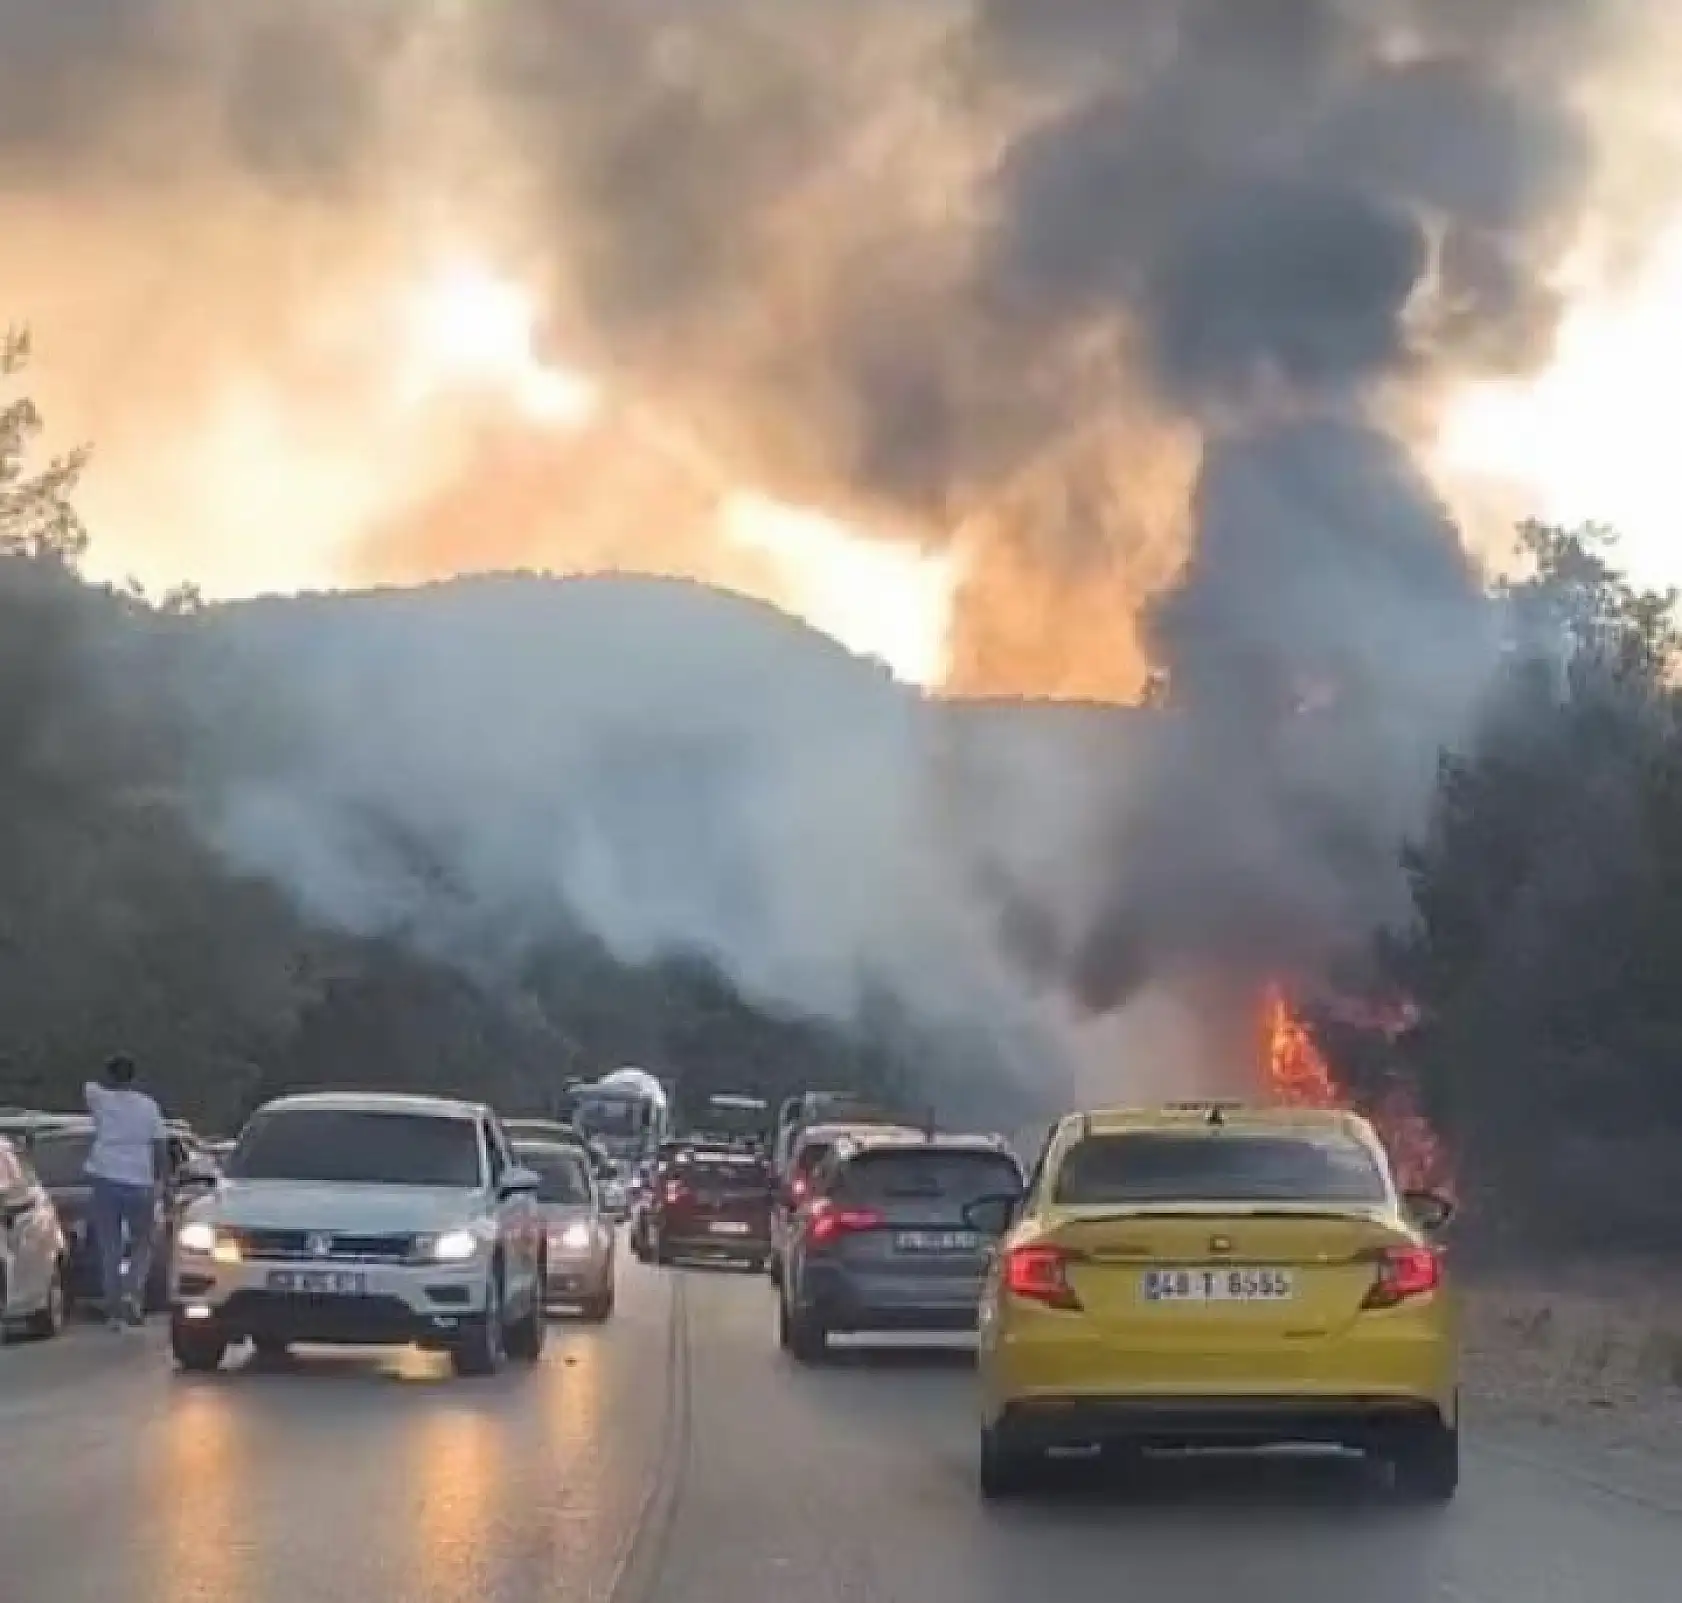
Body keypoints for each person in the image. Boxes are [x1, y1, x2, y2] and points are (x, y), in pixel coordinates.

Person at [83, 1055, 170, 1329]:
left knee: (109, 1246)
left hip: (106, 1177)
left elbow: (87, 1084)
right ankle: (132, 1291)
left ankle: (113, 1309)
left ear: (109, 1077)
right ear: (135, 1078)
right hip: (140, 1181)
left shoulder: (99, 1098)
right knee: (143, 1243)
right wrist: (162, 1181)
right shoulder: (148, 1107)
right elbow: (159, 1146)